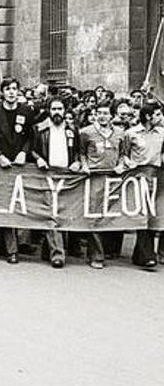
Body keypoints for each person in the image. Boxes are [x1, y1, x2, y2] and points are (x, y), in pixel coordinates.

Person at [0, 78, 36, 264]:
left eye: (14, 89)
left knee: (21, 204)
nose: (11, 92)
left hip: (21, 165)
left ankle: (14, 244)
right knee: (6, 205)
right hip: (2, 165)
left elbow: (31, 137)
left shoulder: (26, 111)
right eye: (8, 89)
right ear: (2, 92)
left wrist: (24, 152)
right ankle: (11, 250)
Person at [31, 98, 83, 268]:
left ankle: (49, 249)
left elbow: (77, 151)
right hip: (47, 175)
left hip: (67, 177)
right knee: (51, 214)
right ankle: (57, 254)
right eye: (54, 109)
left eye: (60, 108)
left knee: (62, 214)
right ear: (48, 110)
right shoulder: (40, 129)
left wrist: (76, 162)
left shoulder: (72, 129)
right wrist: (39, 159)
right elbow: (33, 150)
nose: (57, 112)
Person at [78, 102, 125, 268]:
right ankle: (96, 255)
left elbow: (123, 154)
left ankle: (110, 250)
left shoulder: (120, 133)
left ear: (111, 115)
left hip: (114, 179)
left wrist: (121, 165)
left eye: (106, 113)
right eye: (99, 113)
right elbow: (81, 153)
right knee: (94, 215)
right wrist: (84, 165)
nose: (103, 116)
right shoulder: (86, 132)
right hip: (94, 177)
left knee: (110, 215)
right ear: (95, 114)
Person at [122, 102, 164, 268]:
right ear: (148, 116)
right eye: (157, 114)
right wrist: (127, 163)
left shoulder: (162, 133)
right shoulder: (131, 133)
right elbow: (123, 154)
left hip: (157, 177)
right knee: (141, 215)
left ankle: (139, 255)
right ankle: (148, 255)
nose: (160, 117)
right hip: (137, 177)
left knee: (153, 215)